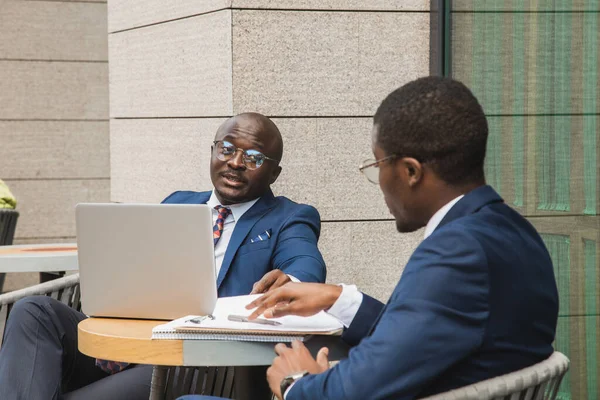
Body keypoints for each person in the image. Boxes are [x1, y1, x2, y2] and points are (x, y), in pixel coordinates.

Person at [181, 76, 559, 400]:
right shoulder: (509, 229)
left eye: (378, 165)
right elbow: (414, 335)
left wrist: (295, 383)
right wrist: (342, 299)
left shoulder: (459, 252)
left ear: (410, 171)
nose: (379, 182)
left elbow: (365, 383)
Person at [0, 112, 327, 400]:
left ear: (274, 173)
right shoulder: (177, 202)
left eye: (254, 157)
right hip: (125, 349)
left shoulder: (288, 217)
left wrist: (293, 283)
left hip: (201, 365)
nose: (235, 162)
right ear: (212, 151)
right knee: (35, 312)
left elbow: (306, 266)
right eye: (227, 149)